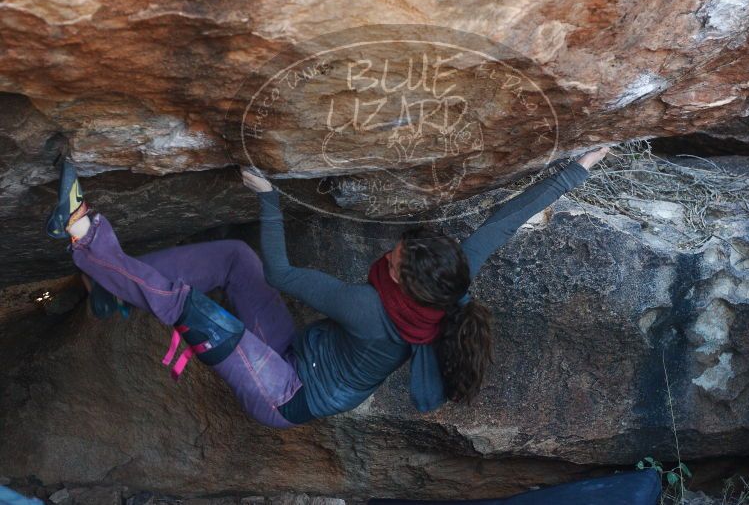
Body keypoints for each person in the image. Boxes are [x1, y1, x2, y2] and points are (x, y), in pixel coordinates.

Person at [46, 135, 609, 429]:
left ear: (401, 281)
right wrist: (577, 169)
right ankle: (113, 288)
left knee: (194, 310)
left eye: (394, 257)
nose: (389, 252)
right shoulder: (451, 280)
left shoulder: (368, 310)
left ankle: (83, 234)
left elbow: (283, 274)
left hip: (285, 395)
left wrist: (268, 200)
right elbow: (503, 223)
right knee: (233, 258)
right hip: (295, 350)